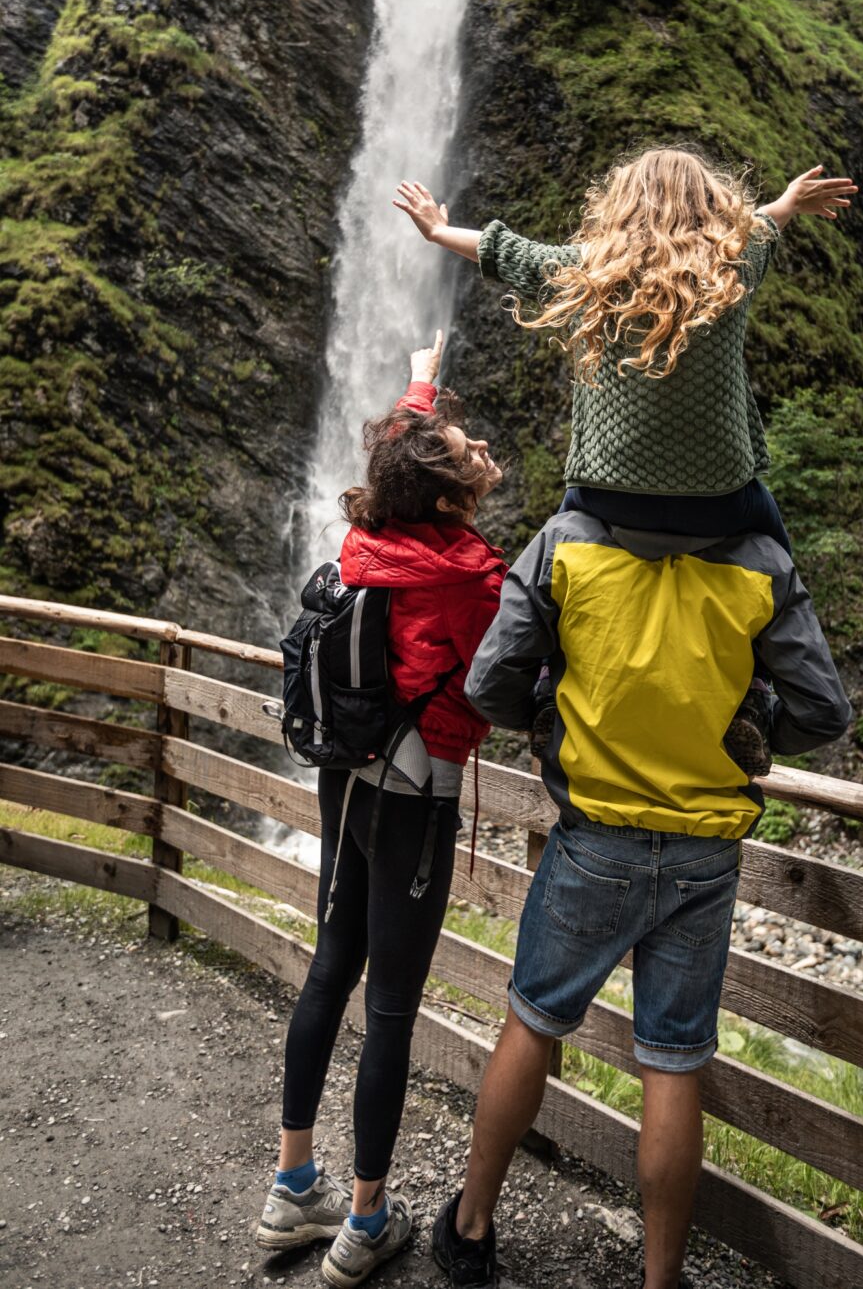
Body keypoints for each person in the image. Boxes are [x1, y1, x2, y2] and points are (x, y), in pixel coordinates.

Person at [432, 506, 852, 1289]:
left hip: (594, 836)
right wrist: (750, 721)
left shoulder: (566, 543)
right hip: (704, 852)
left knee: (531, 1020)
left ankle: (470, 1228)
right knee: (672, 1058)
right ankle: (660, 1280)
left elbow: (489, 680)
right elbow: (824, 709)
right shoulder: (760, 559)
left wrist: (557, 716)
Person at [393, 147, 856, 763]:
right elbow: (763, 226)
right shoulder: (732, 267)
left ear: (620, 206)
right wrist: (790, 203)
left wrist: (436, 229)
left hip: (606, 501)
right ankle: (752, 696)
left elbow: (505, 252)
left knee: (550, 575)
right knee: (778, 563)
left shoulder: (588, 272)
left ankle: (552, 692)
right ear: (711, 205)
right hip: (719, 504)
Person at [256, 334, 506, 1287]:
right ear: (447, 498)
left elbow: (400, 447)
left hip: (346, 771)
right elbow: (500, 684)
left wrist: (421, 378)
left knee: (330, 969)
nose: (478, 446)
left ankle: (294, 1187)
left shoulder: (369, 543)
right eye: (464, 446)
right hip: (415, 799)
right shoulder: (473, 578)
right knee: (392, 1006)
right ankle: (365, 1221)